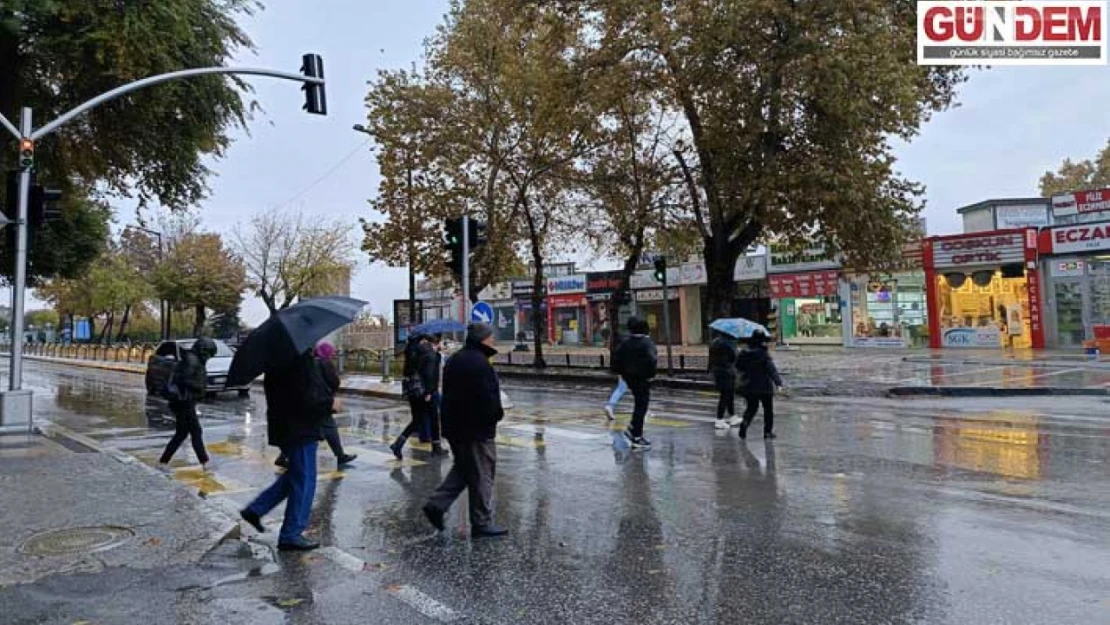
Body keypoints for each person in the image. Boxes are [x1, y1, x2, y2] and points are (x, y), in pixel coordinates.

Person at [239, 349, 333, 551]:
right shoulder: (300, 360)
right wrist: (330, 403)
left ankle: (256, 509)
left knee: (295, 475)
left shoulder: (275, 358)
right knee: (305, 479)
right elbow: (308, 396)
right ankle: (291, 534)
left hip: (285, 425)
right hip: (300, 427)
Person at [422, 323, 507, 538]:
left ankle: (436, 505)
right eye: (491, 337)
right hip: (476, 430)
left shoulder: (456, 359)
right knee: (482, 474)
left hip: (455, 427)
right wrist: (496, 416)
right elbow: (487, 399)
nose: (493, 340)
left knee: (464, 469)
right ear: (483, 339)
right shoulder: (479, 363)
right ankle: (482, 522)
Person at [275, 341, 356, 469]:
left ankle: (282, 456)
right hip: (321, 401)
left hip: (306, 402)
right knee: (329, 428)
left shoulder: (308, 363)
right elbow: (333, 382)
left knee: (301, 430)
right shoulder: (325, 363)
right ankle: (340, 456)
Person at [158, 338, 217, 468]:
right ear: (203, 351)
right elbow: (183, 379)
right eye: (209, 354)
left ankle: (163, 461)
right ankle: (205, 462)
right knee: (196, 431)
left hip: (184, 401)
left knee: (182, 433)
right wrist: (199, 387)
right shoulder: (192, 360)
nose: (208, 358)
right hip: (184, 401)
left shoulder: (192, 359)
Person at [390, 334, 446, 459]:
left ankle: (398, 443)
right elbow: (430, 374)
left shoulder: (414, 351)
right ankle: (436, 447)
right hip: (426, 392)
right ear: (434, 342)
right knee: (433, 419)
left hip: (413, 391)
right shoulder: (430, 354)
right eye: (441, 343)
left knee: (417, 420)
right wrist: (429, 392)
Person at [612, 317, 657, 450]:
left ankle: (633, 428)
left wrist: (623, 374)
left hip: (630, 378)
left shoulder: (625, 343)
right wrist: (650, 376)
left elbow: (616, 360)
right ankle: (636, 435)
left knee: (639, 404)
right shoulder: (647, 343)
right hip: (643, 378)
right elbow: (652, 360)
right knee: (641, 405)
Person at [735, 330, 784, 440]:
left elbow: (738, 367)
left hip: (749, 386)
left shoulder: (744, 353)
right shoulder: (763, 354)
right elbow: (772, 370)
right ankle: (767, 432)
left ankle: (745, 423)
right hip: (764, 387)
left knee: (751, 408)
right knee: (768, 410)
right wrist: (778, 383)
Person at [708, 330, 740, 430]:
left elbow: (711, 358)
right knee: (726, 395)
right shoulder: (729, 344)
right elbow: (734, 357)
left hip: (717, 371)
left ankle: (732, 416)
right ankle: (719, 419)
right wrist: (737, 351)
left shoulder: (714, 342)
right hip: (727, 372)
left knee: (728, 394)